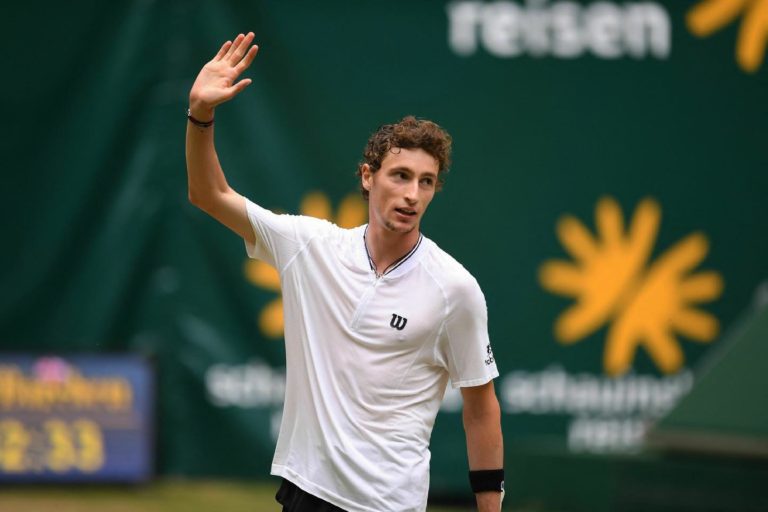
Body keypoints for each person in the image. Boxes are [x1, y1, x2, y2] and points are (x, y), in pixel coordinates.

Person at [186, 32, 504, 512]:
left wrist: (489, 508)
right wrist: (200, 115)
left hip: (388, 503)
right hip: (305, 492)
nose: (413, 194)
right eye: (400, 176)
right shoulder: (308, 247)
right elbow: (209, 195)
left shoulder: (454, 289)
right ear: (367, 176)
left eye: (427, 182)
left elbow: (481, 411)